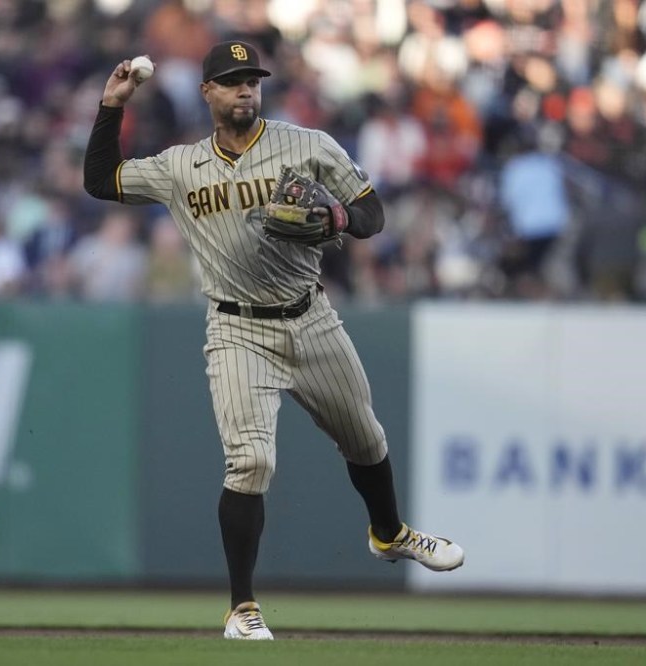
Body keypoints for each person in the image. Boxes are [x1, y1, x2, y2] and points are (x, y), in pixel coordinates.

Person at [83, 40, 464, 640]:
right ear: (207, 92)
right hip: (237, 327)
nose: (245, 90)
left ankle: (388, 534)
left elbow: (372, 215)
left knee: (365, 438)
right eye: (232, 81)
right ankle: (242, 608)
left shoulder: (310, 146)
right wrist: (112, 107)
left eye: (252, 80)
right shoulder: (182, 165)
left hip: (312, 318)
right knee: (251, 460)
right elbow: (102, 181)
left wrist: (338, 218)